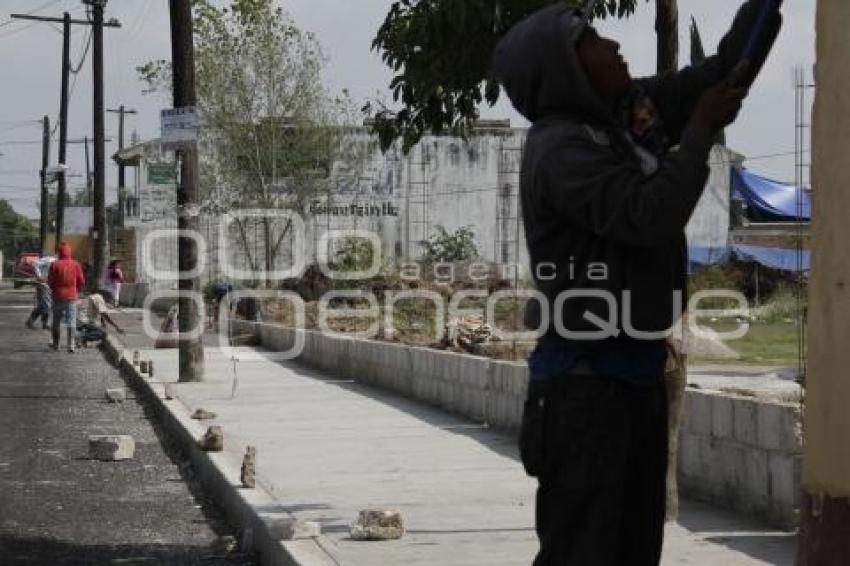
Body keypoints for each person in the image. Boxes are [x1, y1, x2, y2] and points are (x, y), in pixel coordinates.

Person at [492, 2, 780, 565]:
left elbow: (720, 71)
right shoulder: (561, 148)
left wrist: (767, 9)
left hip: (634, 378)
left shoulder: (627, 116)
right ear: (565, 69)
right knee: (585, 553)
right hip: (584, 393)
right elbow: (648, 216)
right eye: (593, 41)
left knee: (633, 550)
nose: (612, 46)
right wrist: (698, 133)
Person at [48, 242, 85, 353]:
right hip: (71, 297)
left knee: (56, 321)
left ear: (59, 252)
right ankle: (71, 345)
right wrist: (76, 290)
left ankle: (56, 344)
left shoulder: (54, 264)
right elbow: (81, 281)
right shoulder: (76, 264)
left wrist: (54, 289)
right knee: (71, 321)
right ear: (70, 252)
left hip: (57, 296)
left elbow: (50, 281)